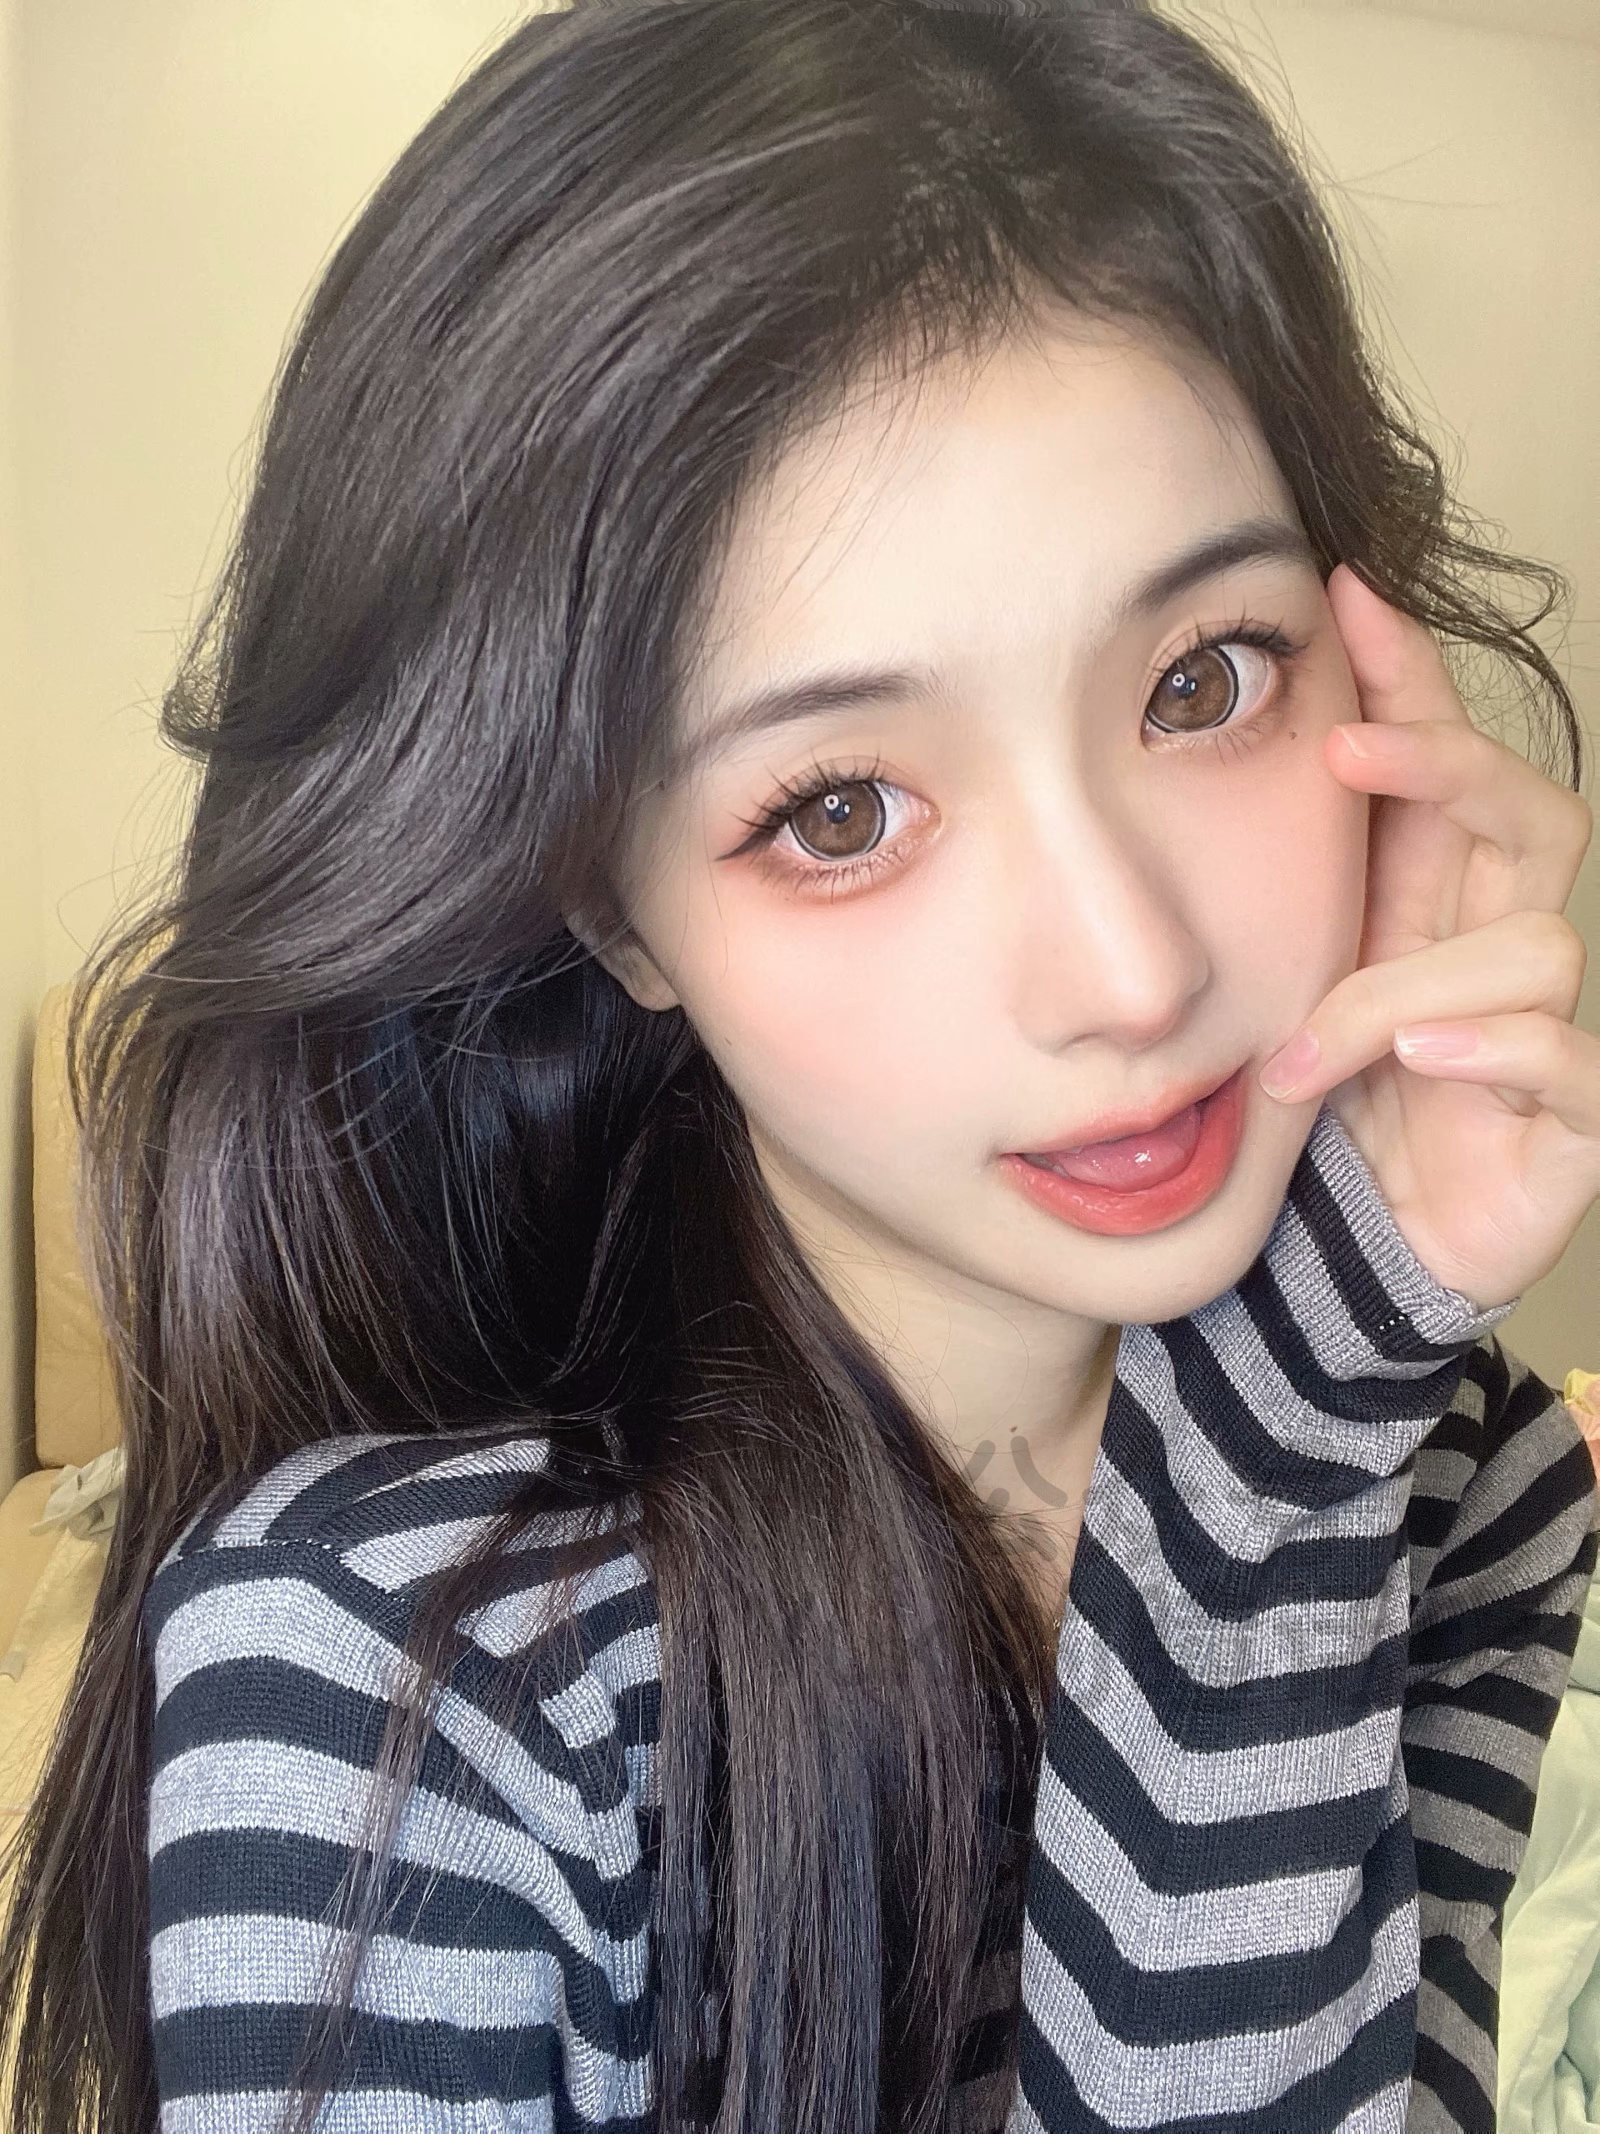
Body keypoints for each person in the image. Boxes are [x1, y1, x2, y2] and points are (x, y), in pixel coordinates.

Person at [1, 0, 1596, 2127]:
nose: (1129, 971)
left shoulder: (1461, 1486)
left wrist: (1290, 1438)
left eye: (1204, 678)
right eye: (839, 809)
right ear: (616, 916)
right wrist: (1280, 1459)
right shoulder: (393, 1672)